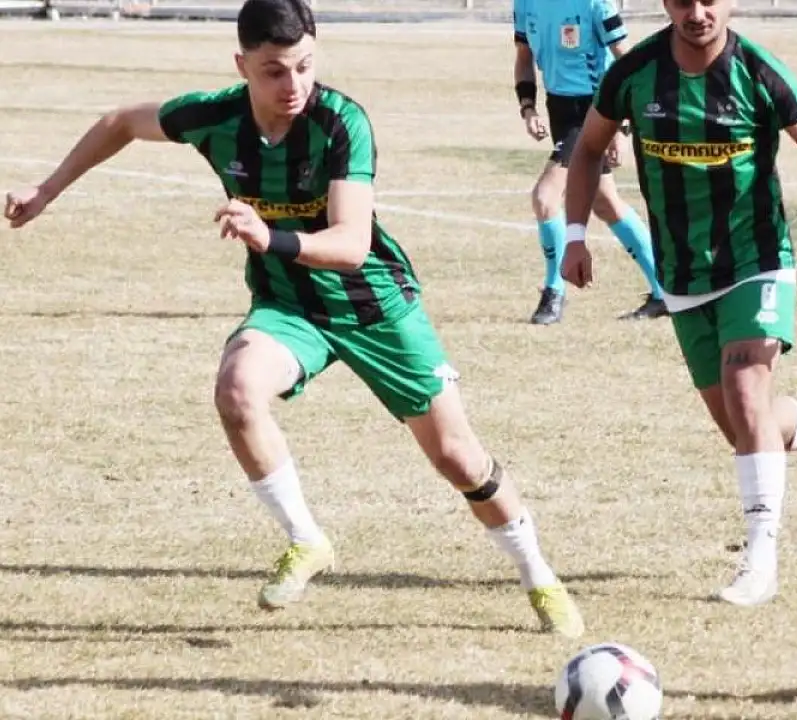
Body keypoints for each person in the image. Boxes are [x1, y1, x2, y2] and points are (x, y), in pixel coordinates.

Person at [3, 0, 585, 638]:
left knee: (457, 457)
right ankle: (307, 539)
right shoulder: (215, 117)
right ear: (242, 66)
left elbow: (351, 245)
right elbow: (120, 121)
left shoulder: (340, 122)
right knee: (236, 390)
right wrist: (46, 191)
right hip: (289, 308)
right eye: (274, 71)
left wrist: (268, 236)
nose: (293, 84)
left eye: (304, 66)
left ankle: (539, 575)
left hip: (374, 308)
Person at [558, 0, 797, 608]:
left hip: (757, 261)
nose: (697, 12)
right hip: (681, 274)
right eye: (683, 0)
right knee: (743, 425)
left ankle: (760, 560)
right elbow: (590, 148)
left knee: (746, 392)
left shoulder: (758, 71)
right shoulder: (635, 72)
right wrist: (574, 235)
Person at [513, 0, 667, 324]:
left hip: (596, 109)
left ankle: (554, 292)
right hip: (559, 109)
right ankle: (664, 291)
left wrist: (621, 126)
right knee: (605, 203)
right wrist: (528, 108)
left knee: (545, 197)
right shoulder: (525, 3)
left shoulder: (595, 4)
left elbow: (629, 63)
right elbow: (524, 58)